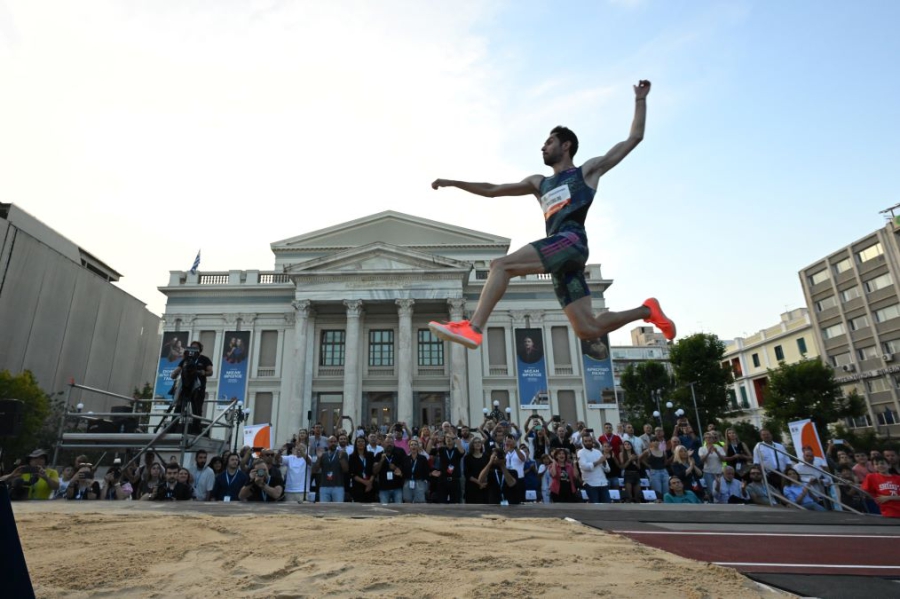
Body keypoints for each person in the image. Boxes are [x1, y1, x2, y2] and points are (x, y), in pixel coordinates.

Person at [428, 81, 675, 351]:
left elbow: (633, 139)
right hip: (562, 260)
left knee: (500, 266)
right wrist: (454, 182)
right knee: (587, 328)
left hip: (571, 240)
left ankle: (473, 328)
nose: (543, 147)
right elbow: (493, 190)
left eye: (549, 142)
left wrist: (640, 100)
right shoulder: (539, 183)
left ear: (566, 145)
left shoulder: (586, 172)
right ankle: (647, 310)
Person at [169, 340, 214, 435]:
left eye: (195, 348)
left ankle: (196, 430)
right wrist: (173, 374)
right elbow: (178, 369)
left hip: (198, 388)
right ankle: (172, 428)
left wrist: (203, 373)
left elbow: (210, 372)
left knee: (196, 409)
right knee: (178, 407)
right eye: (191, 347)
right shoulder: (186, 360)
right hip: (185, 387)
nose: (193, 350)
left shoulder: (204, 359)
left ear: (199, 350)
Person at [312, 436, 349, 503]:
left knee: (338, 509)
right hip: (324, 486)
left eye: (335, 442)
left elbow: (346, 470)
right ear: (327, 443)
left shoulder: (343, 453)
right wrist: (319, 458)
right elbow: (314, 470)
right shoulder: (323, 455)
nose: (333, 443)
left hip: (338, 486)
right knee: (324, 509)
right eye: (331, 442)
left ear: (337, 443)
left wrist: (341, 459)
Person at [577, 435, 611, 503]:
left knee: (607, 505)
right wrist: (599, 462)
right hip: (590, 483)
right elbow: (585, 466)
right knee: (595, 506)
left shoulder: (598, 452)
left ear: (592, 441)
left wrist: (603, 462)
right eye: (586, 441)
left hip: (603, 483)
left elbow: (607, 469)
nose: (588, 442)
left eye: (589, 441)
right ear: (583, 442)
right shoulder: (581, 452)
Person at [374, 436, 405, 504]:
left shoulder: (399, 453)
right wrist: (381, 461)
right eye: (387, 442)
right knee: (384, 510)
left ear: (394, 443)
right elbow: (375, 471)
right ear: (383, 443)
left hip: (397, 487)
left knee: (399, 509)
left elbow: (405, 468)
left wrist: (395, 468)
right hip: (383, 488)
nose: (389, 444)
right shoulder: (379, 455)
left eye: (391, 442)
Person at [463, 437, 490, 504]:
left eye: (479, 442)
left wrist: (484, 483)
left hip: (484, 486)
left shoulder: (486, 457)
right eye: (475, 442)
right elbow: (467, 474)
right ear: (472, 445)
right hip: (472, 486)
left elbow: (489, 471)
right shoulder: (467, 457)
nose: (477, 444)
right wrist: (479, 482)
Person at [404, 438, 430, 503]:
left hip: (419, 482)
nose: (413, 446)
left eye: (415, 445)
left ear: (418, 447)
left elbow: (427, 471)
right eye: (412, 445)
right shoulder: (405, 458)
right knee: (407, 501)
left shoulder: (423, 458)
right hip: (408, 482)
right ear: (409, 447)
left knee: (420, 502)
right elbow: (403, 470)